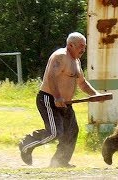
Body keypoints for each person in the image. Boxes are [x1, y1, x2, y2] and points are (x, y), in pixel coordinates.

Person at [19, 32, 101, 168]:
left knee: (71, 131)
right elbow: (51, 77)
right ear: (70, 45)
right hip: (49, 99)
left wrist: (95, 94)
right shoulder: (60, 56)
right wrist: (57, 96)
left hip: (66, 104)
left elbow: (82, 83)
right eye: (81, 46)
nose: (83, 50)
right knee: (54, 132)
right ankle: (26, 144)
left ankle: (59, 162)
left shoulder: (76, 61)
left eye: (85, 47)